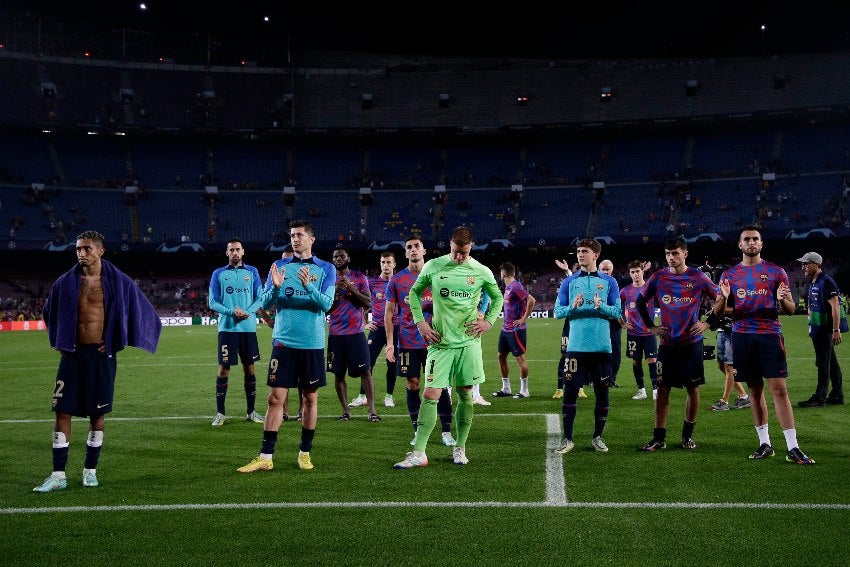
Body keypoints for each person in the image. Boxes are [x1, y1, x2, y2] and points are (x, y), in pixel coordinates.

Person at [35, 230, 162, 492]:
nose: (82, 253)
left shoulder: (118, 281)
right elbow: (49, 311)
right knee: (62, 410)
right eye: (78, 249)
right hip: (72, 355)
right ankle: (58, 475)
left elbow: (141, 310)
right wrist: (59, 339)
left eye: (87, 249)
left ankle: (89, 471)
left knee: (98, 414)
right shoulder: (65, 281)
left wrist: (118, 340)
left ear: (101, 251)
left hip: (101, 355)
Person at [393, 226, 503, 468]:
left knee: (465, 395)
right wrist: (420, 323)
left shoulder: (481, 271)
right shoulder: (434, 266)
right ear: (450, 246)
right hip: (440, 344)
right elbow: (414, 294)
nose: (458, 257)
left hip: (469, 343)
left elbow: (497, 298)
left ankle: (460, 447)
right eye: (455, 251)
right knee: (430, 394)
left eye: (463, 253)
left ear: (470, 248)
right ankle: (419, 452)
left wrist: (488, 321)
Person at [237, 220, 335, 473]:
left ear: (311, 239)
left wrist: (308, 286)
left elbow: (326, 304)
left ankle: (304, 453)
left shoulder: (326, 269)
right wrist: (276, 288)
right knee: (274, 399)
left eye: (300, 235)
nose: (295, 239)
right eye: (292, 235)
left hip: (311, 343)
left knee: (310, 398)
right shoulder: (279, 267)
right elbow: (264, 301)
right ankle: (266, 456)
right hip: (283, 342)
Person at [714, 225, 814, 464]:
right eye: (746, 239)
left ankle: (793, 447)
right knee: (754, 391)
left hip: (770, 335)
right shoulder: (729, 275)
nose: (751, 242)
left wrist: (783, 301)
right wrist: (724, 297)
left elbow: (790, 310)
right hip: (742, 336)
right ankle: (764, 443)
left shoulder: (776, 272)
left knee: (779, 389)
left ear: (761, 244)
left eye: (755, 239)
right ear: (740, 244)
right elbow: (717, 312)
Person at [636, 236, 719, 451]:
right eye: (667, 254)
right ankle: (659, 438)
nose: (671, 257)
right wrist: (651, 327)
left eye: (675, 253)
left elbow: (721, 299)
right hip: (667, 344)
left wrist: (708, 323)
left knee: (693, 388)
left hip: (692, 343)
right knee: (662, 389)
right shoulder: (658, 277)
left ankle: (687, 436)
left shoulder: (698, 277)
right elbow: (639, 301)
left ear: (685, 254)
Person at [385, 237, 456, 447]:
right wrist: (390, 344)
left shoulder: (437, 275)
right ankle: (418, 430)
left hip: (435, 341)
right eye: (409, 248)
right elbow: (388, 314)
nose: (413, 250)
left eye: (417, 246)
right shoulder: (397, 280)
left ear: (424, 250)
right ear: (405, 254)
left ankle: (446, 432)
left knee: (440, 386)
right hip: (407, 342)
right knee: (412, 384)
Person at [553, 238, 621, 454]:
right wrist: (573, 307)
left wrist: (603, 308)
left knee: (602, 394)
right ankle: (568, 439)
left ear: (596, 255)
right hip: (576, 346)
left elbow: (617, 312)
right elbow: (557, 312)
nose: (580, 255)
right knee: (570, 392)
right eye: (578, 251)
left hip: (602, 347)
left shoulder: (610, 283)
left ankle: (598, 437)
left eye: (585, 251)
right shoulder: (569, 283)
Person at [208, 238, 265, 426]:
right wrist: (232, 311)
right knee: (224, 370)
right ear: (227, 253)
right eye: (231, 250)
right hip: (227, 329)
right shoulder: (218, 274)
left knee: (249, 368)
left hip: (248, 330)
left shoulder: (252, 272)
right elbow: (212, 302)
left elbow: (261, 298)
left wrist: (247, 312)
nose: (234, 253)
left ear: (243, 252)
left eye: (237, 249)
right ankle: (220, 413)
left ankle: (251, 411)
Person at [328, 246, 381, 422]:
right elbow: (325, 307)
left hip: (356, 333)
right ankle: (345, 411)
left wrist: (351, 289)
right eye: (335, 256)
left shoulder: (359, 278)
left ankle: (372, 411)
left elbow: (367, 302)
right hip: (336, 334)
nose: (338, 259)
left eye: (341, 256)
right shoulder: (328, 279)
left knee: (366, 371)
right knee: (338, 373)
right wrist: (335, 291)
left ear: (348, 258)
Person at [350, 251, 398, 409]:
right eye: (383, 262)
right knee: (367, 363)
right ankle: (362, 396)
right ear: (380, 264)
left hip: (396, 328)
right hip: (377, 328)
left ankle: (389, 397)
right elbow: (360, 303)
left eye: (389, 262)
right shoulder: (372, 283)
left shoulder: (399, 282)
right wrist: (365, 323)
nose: (386, 265)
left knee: (392, 364)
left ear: (394, 264)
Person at [796, 251, 844, 407]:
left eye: (806, 263)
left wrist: (836, 330)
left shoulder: (826, 281)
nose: (803, 266)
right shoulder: (814, 281)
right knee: (832, 362)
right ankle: (837, 395)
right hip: (818, 328)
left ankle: (819, 397)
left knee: (822, 362)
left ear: (816, 264)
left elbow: (835, 306)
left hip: (825, 330)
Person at [492, 262, 536, 398]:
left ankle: (524, 390)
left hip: (516, 329)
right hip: (506, 329)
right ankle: (506, 389)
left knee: (520, 359)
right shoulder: (508, 287)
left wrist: (524, 318)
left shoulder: (516, 286)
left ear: (503, 273)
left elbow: (531, 300)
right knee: (501, 356)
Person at [620, 260, 659, 401]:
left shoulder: (651, 289)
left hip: (649, 332)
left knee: (652, 360)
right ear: (630, 274)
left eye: (638, 271)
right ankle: (641, 390)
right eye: (633, 272)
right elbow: (616, 307)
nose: (635, 274)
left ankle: (656, 390)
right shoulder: (625, 291)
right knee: (636, 362)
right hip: (633, 333)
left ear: (642, 272)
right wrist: (622, 323)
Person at [705, 302, 751, 411]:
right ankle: (744, 397)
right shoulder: (722, 289)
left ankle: (724, 401)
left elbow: (742, 309)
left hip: (733, 331)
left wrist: (721, 309)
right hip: (721, 330)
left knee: (729, 367)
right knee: (721, 366)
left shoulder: (737, 289)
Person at [552, 258, 586, 399]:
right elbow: (557, 311)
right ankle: (560, 388)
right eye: (576, 270)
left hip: (583, 326)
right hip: (569, 326)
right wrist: (567, 271)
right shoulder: (569, 284)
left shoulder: (588, 284)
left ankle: (580, 388)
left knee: (582, 357)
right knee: (564, 356)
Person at [598, 259, 624, 388]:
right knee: (598, 351)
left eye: (607, 269)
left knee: (616, 351)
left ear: (612, 270)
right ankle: (596, 378)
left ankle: (612, 378)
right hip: (600, 322)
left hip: (614, 322)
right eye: (603, 269)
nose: (605, 272)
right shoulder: (594, 282)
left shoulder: (615, 282)